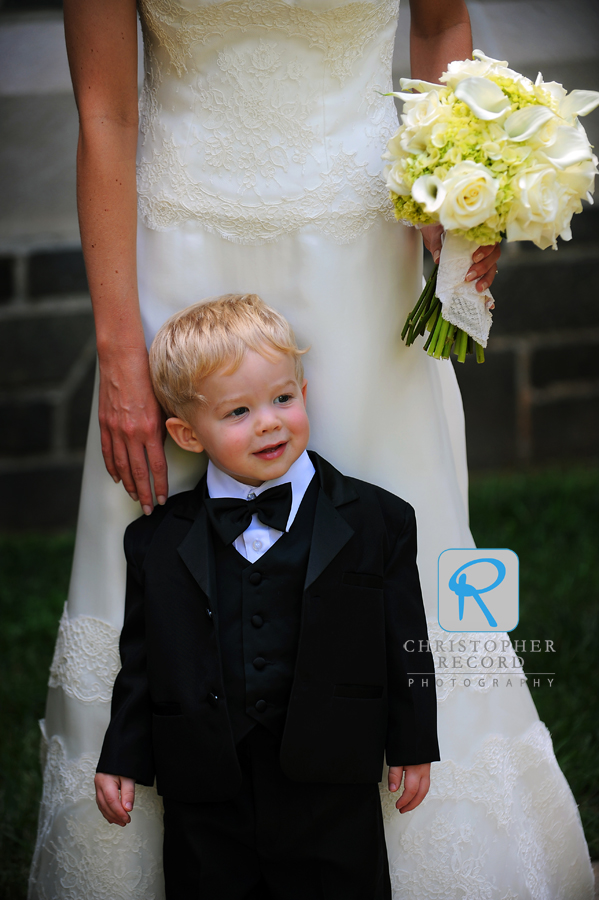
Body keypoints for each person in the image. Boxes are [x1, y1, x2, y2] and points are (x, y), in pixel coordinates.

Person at [29, 1, 594, 898]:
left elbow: (444, 25)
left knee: (404, 539)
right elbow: (103, 113)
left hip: (365, 251)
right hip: (180, 250)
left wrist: (461, 192)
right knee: (167, 565)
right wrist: (118, 356)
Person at [94, 293, 440, 899]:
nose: (270, 422)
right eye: (238, 412)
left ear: (304, 392)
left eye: (283, 398)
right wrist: (123, 755)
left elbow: (405, 642)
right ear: (185, 434)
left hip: (333, 773)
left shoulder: (378, 520)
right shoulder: (155, 541)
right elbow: (143, 659)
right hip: (206, 782)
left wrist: (412, 743)